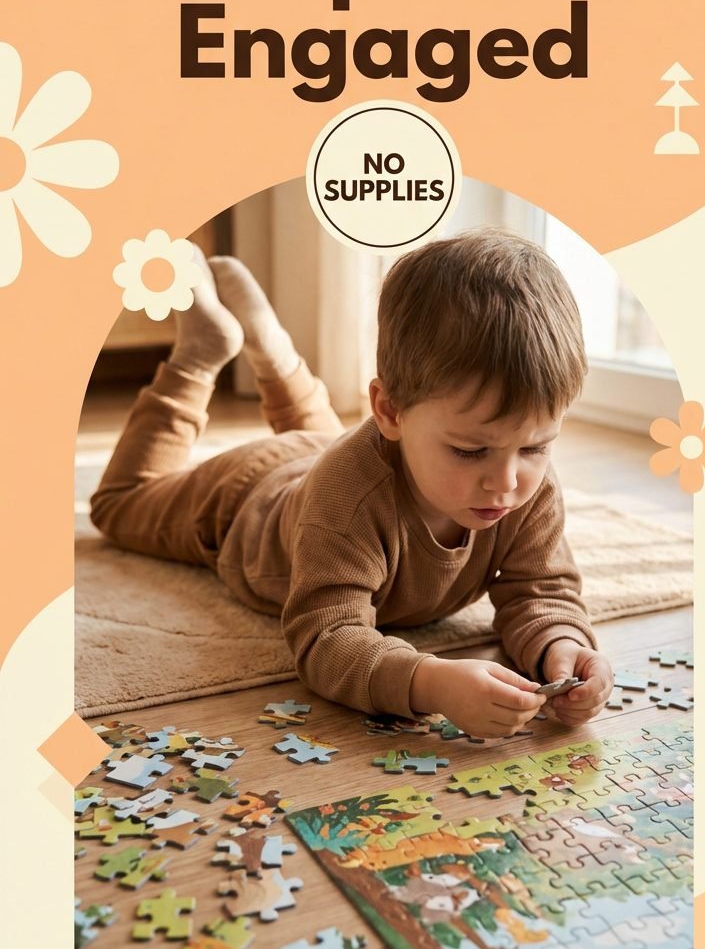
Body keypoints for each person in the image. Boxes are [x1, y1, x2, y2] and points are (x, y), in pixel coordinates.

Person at [91, 229, 614, 737]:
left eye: (536, 447)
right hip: (247, 496)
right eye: (469, 451)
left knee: (328, 447)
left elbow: (541, 590)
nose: (506, 481)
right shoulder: (344, 499)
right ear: (389, 411)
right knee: (118, 506)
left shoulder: (527, 485)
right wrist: (428, 682)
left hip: (330, 457)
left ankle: (275, 355)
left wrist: (562, 644)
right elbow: (326, 637)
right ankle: (202, 353)